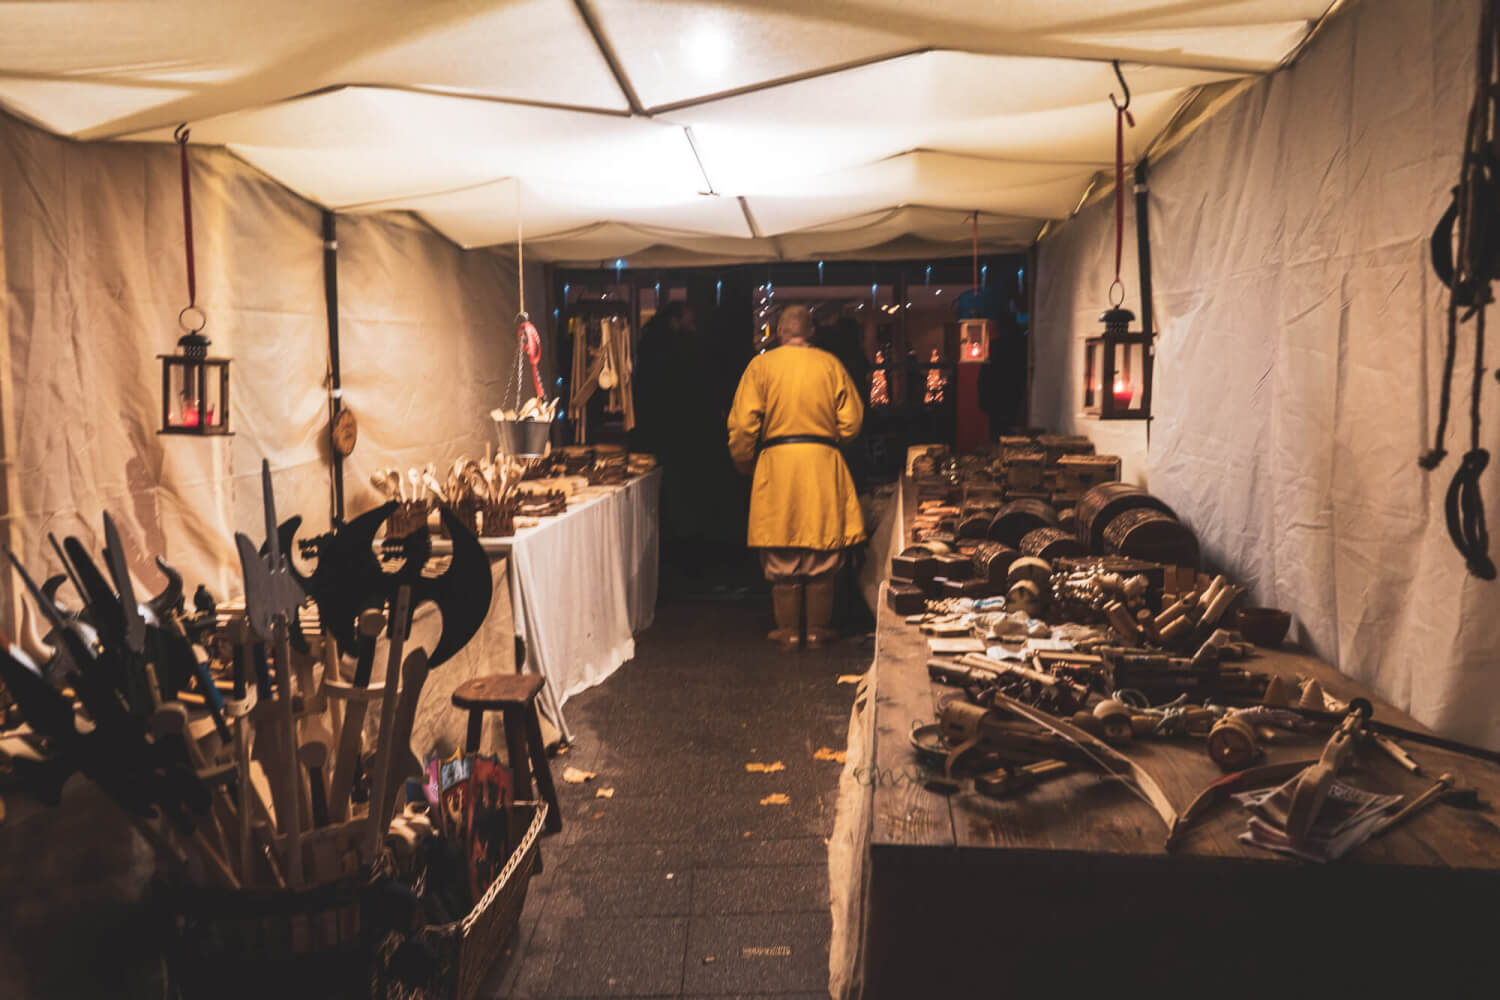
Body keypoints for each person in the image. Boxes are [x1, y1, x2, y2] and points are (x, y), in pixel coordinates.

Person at [727, 305, 866, 650]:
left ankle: (788, 632)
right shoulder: (830, 364)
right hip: (821, 461)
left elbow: (744, 424)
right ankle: (818, 631)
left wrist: (743, 458)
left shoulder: (761, 366)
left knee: (781, 545)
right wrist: (831, 441)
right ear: (812, 332)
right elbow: (852, 421)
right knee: (822, 546)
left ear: (778, 332)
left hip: (778, 463)